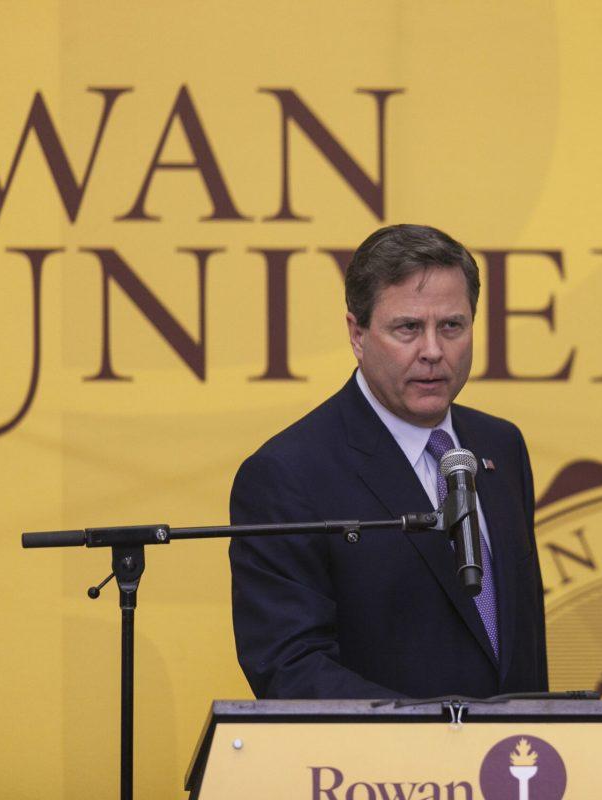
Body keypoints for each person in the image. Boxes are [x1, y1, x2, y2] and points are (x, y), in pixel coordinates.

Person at [229, 223, 547, 700]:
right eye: (408, 328)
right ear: (357, 334)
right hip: (380, 771)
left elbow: (517, 642)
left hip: (509, 765)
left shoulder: (500, 446)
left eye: (452, 326)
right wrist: (424, 740)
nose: (434, 352)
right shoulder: (289, 473)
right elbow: (289, 667)